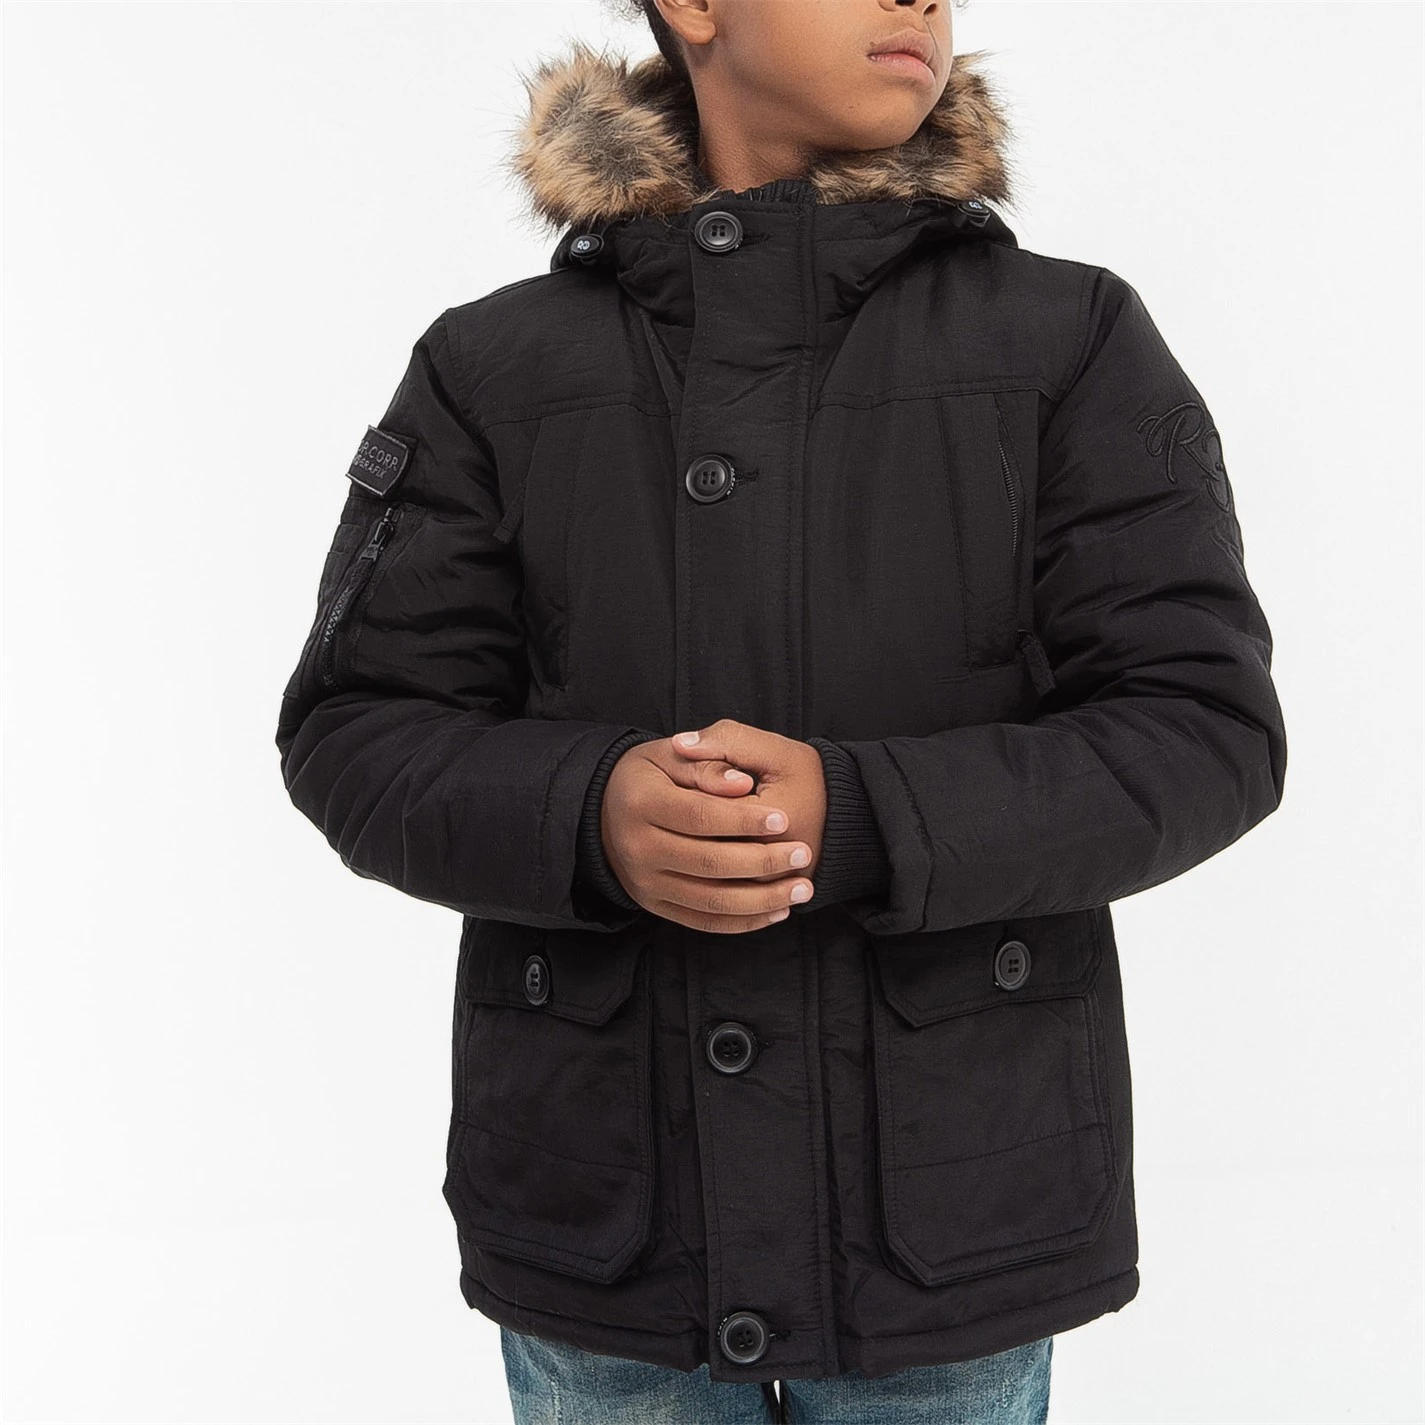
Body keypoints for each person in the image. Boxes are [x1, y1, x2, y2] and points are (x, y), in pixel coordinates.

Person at [275, 0, 1288, 1420]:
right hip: (604, 1218)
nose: (920, 1)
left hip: (944, 1224)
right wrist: (588, 816)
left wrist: (865, 817)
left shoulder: (1067, 340)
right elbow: (358, 729)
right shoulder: (491, 368)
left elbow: (1203, 728)